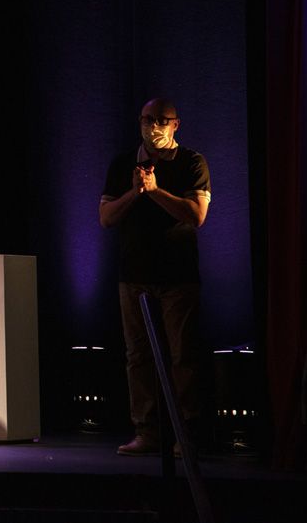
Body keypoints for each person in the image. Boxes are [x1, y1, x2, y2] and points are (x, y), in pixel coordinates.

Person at [99, 98, 210, 456]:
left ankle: (186, 434)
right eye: (149, 119)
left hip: (178, 276)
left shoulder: (192, 162)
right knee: (139, 356)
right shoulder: (123, 164)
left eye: (163, 120)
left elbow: (196, 214)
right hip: (133, 276)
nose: (154, 127)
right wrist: (136, 191)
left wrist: (156, 191)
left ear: (176, 124)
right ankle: (147, 431)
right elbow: (106, 217)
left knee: (182, 357)